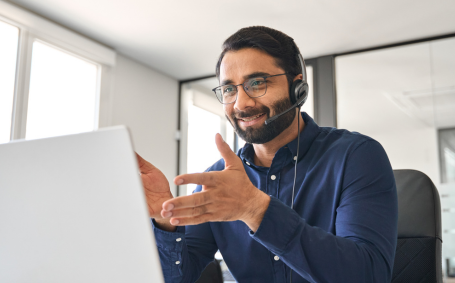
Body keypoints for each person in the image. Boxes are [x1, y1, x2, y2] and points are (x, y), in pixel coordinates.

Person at [137, 26, 398, 283]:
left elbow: (368, 275)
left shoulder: (355, 156)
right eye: (229, 89)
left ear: (298, 88)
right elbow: (177, 279)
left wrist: (255, 209)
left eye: (257, 83)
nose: (241, 103)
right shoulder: (218, 178)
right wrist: (164, 221)